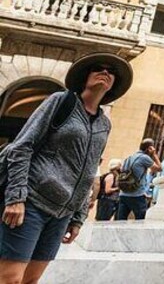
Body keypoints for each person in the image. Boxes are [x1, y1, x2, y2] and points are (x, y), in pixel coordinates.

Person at [0, 52, 132, 283]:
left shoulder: (104, 124)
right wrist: (16, 198)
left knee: (31, 280)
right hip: (32, 203)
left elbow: (90, 170)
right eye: (98, 68)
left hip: (62, 215)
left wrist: (78, 217)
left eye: (111, 72)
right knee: (10, 278)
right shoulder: (61, 102)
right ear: (85, 76)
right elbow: (21, 147)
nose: (105, 73)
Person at [116, 138, 161, 221]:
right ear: (149, 148)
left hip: (123, 194)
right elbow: (159, 168)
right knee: (140, 220)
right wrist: (154, 154)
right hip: (136, 195)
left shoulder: (128, 158)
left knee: (120, 221)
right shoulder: (144, 158)